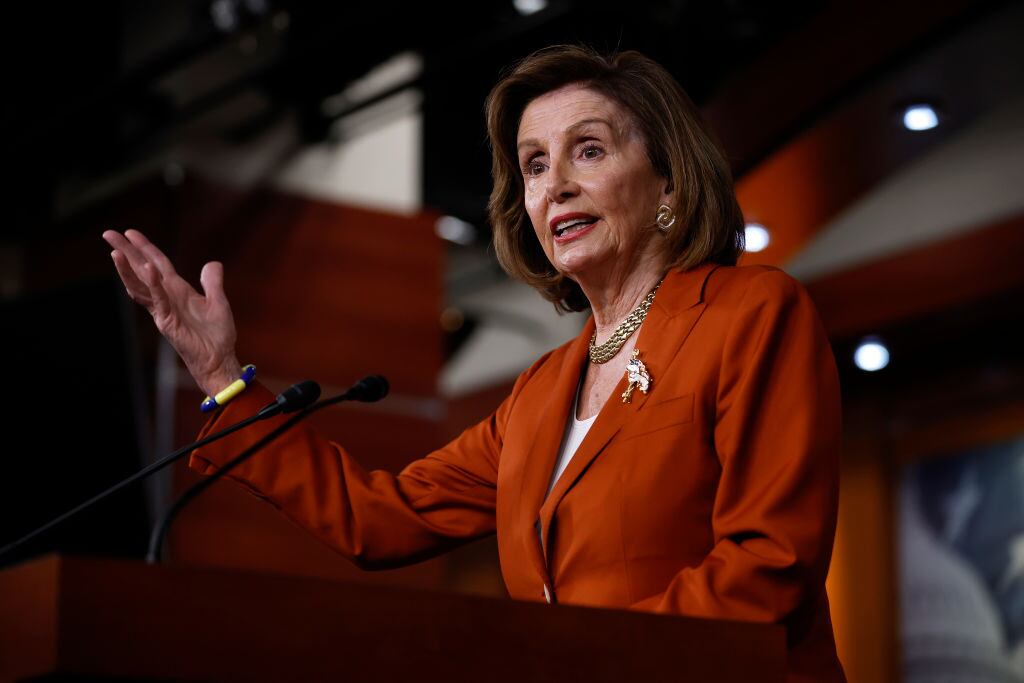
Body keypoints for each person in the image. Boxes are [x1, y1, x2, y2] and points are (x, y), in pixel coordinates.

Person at [103, 45, 846, 682]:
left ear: (669, 182)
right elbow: (379, 517)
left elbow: (768, 564)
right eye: (533, 165)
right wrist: (222, 378)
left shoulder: (749, 314)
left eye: (588, 149)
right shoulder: (540, 392)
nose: (554, 184)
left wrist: (580, 662)